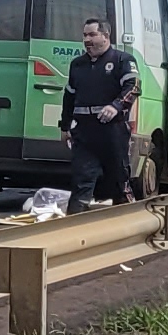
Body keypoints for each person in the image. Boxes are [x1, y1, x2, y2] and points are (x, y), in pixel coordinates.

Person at [62, 13, 141, 208]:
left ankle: (127, 221)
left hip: (112, 131)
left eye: (92, 35)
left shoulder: (122, 60)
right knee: (81, 180)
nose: (87, 40)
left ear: (105, 36)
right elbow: (69, 96)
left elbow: (134, 87)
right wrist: (65, 126)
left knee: (118, 180)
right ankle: (74, 226)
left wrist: (115, 106)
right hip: (84, 132)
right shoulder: (77, 65)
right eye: (85, 35)